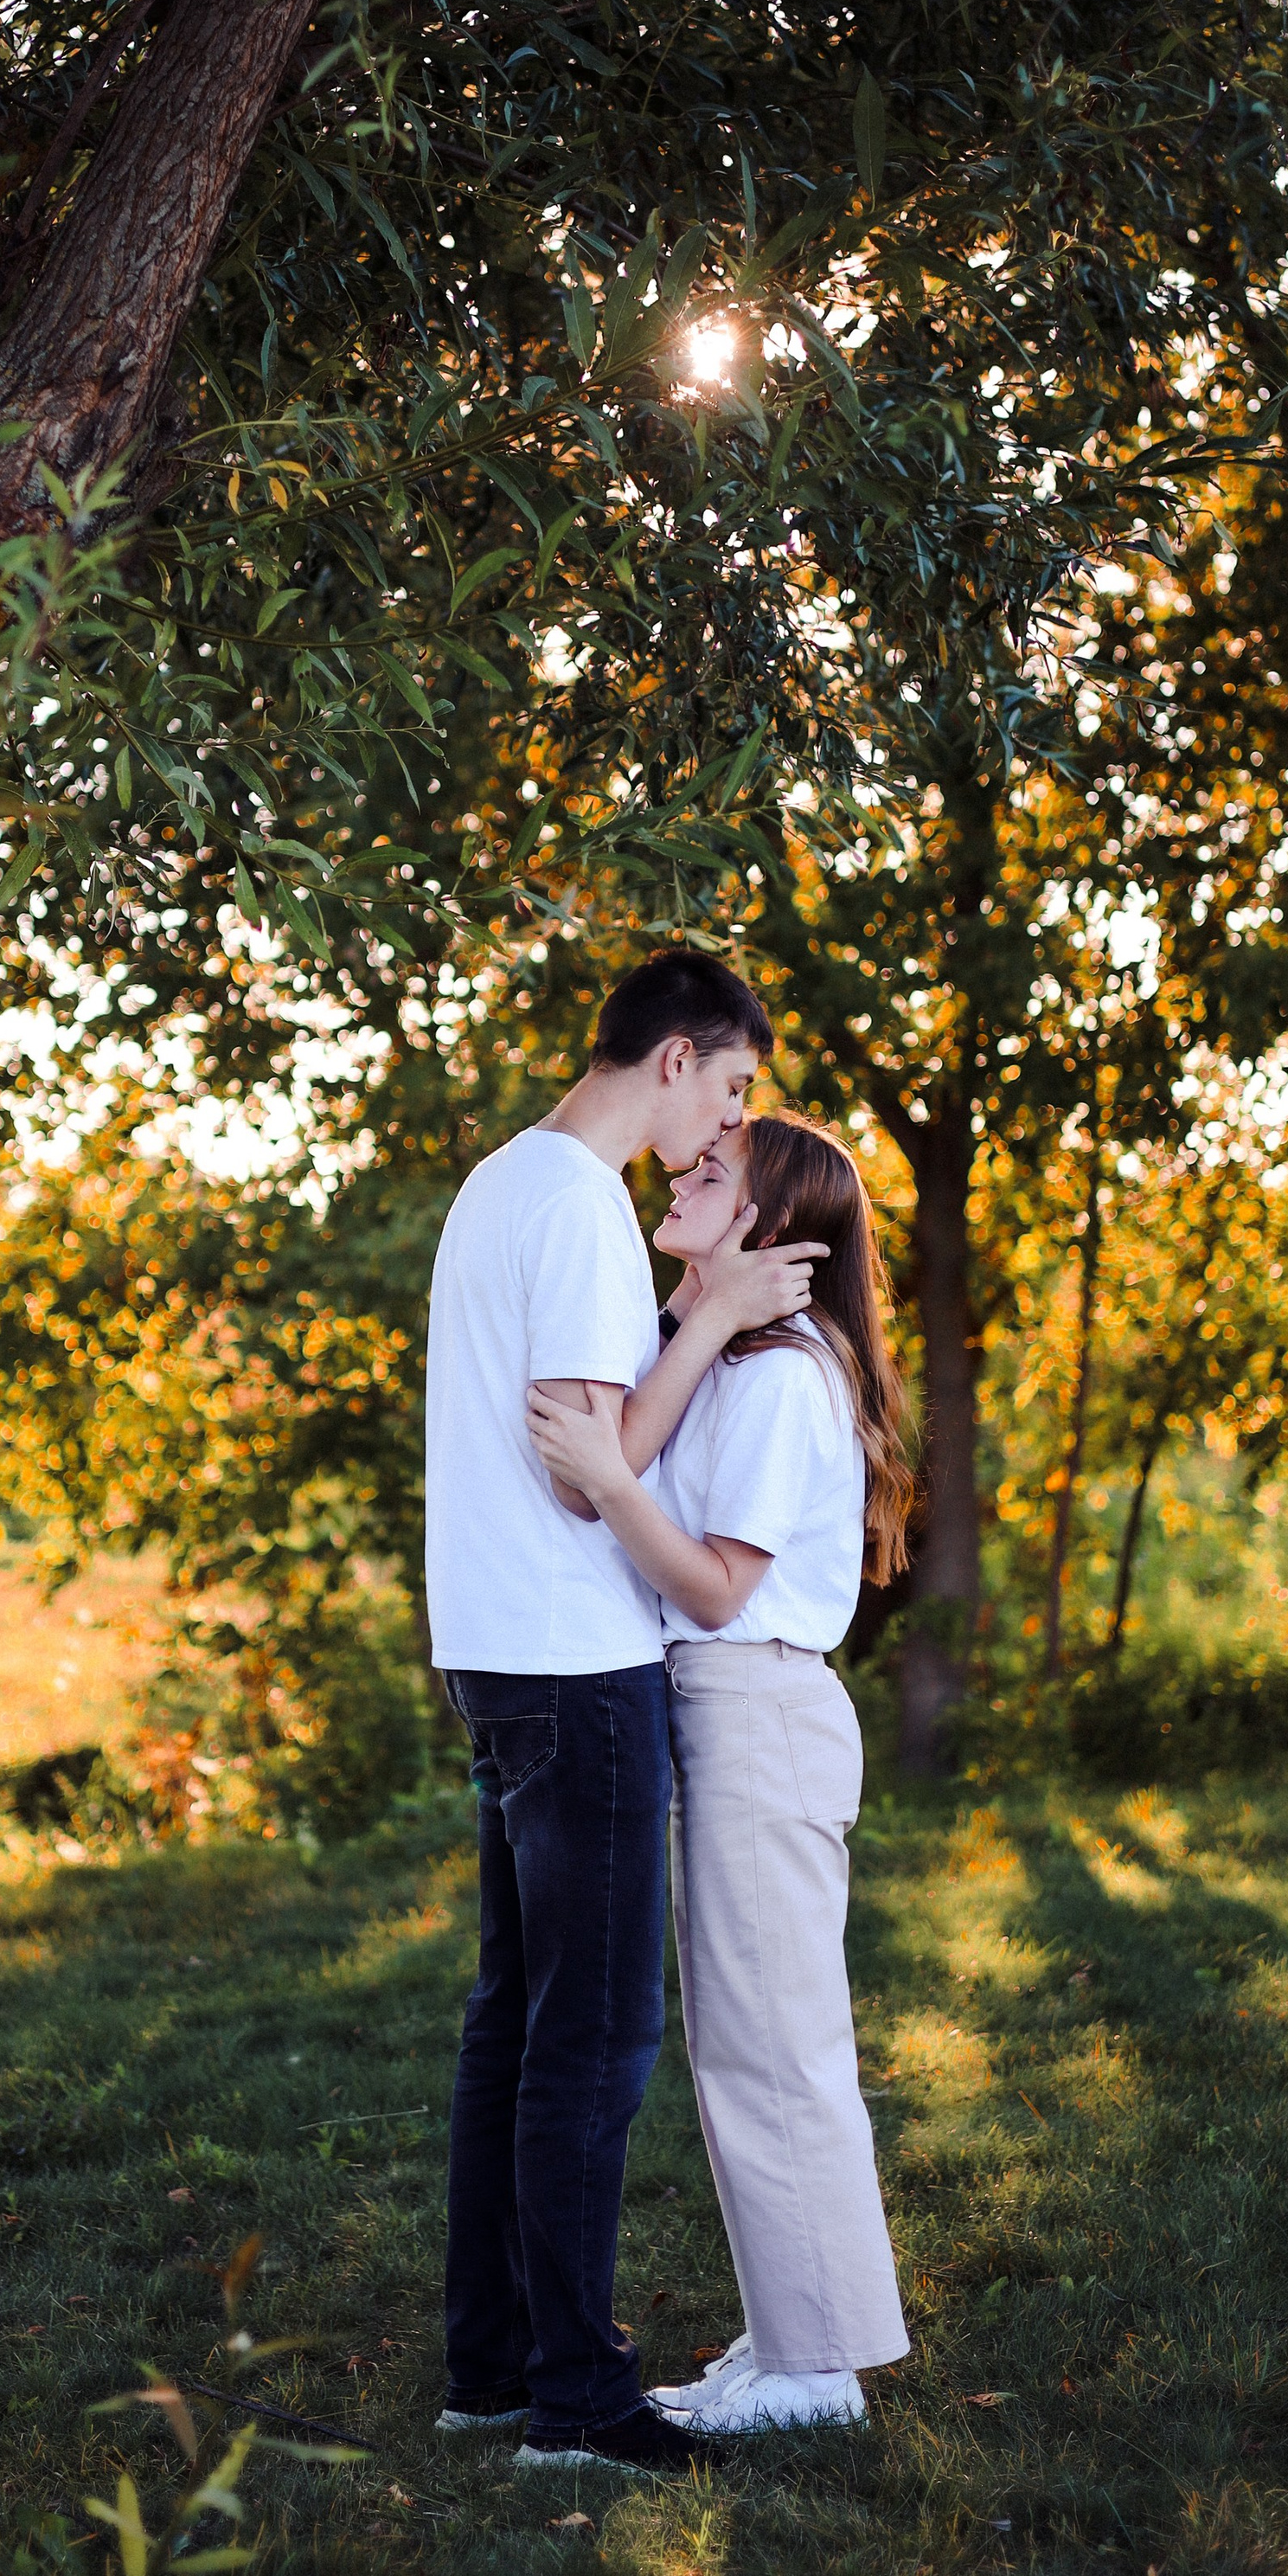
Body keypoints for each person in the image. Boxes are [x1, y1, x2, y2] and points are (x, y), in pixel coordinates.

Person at [426, 949, 826, 2475]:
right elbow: (590, 1471)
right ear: (675, 1059)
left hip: (493, 1646)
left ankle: (493, 2372)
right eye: (731, 1088)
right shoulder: (588, 1210)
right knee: (593, 2042)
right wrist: (714, 1316)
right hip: (575, 1660)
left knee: (511, 2030)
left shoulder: (497, 1183)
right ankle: (579, 2405)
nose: (728, 1123)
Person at [525, 1112, 913, 2433]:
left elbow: (713, 1581)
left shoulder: (784, 1379)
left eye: (711, 1175)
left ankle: (816, 2378)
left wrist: (605, 1483)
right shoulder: (730, 1361)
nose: (678, 1174)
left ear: (773, 1231)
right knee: (747, 2041)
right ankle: (793, 2339)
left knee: (778, 2051)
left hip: (761, 1710)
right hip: (731, 1715)